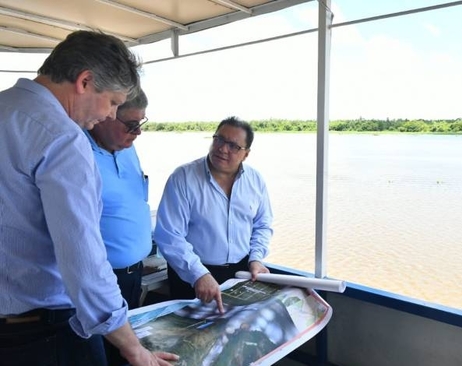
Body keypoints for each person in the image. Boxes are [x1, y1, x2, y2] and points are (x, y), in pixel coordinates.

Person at [0, 31, 178, 366]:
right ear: (84, 81)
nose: (111, 115)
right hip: (46, 334)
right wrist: (134, 348)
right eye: (112, 101)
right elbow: (83, 259)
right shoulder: (63, 139)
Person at [154, 116, 274, 314]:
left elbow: (262, 224)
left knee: (236, 334)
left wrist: (256, 259)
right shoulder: (183, 178)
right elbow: (169, 235)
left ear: (246, 154)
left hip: (240, 273)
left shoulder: (255, 180)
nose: (222, 148)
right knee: (189, 338)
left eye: (233, 145)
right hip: (192, 276)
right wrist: (198, 274)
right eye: (219, 139)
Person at [87, 88, 152, 366]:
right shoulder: (78, 154)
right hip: (101, 282)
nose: (137, 133)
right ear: (106, 114)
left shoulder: (127, 147)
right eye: (131, 125)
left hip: (134, 274)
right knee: (104, 356)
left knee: (124, 358)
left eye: (141, 124)